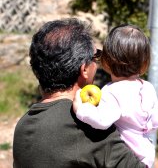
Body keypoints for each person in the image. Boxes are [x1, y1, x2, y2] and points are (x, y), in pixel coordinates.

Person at [13, 19, 146, 168]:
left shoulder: (23, 125)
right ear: (84, 70)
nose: (98, 64)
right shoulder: (88, 124)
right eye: (96, 57)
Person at [73, 24, 158, 168]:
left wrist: (81, 109)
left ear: (107, 60)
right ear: (144, 61)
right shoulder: (148, 87)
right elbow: (157, 120)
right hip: (146, 154)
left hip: (126, 156)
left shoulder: (112, 91)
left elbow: (101, 121)